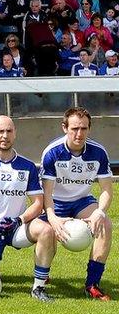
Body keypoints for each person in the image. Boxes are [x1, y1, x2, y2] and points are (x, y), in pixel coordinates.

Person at [0, 116, 55, 302]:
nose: (5, 135)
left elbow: (38, 203)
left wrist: (19, 220)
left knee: (45, 230)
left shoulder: (28, 166)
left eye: (9, 131)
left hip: (17, 227)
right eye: (0, 131)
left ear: (15, 133)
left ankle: (38, 288)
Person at [40, 107, 113, 300]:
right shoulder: (52, 152)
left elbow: (106, 189)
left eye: (84, 128)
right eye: (74, 128)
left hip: (82, 201)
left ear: (89, 129)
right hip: (55, 201)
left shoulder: (98, 152)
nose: (79, 133)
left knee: (104, 223)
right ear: (64, 128)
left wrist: (100, 212)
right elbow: (46, 192)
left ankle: (92, 285)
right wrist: (52, 217)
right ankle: (43, 276)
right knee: (47, 233)